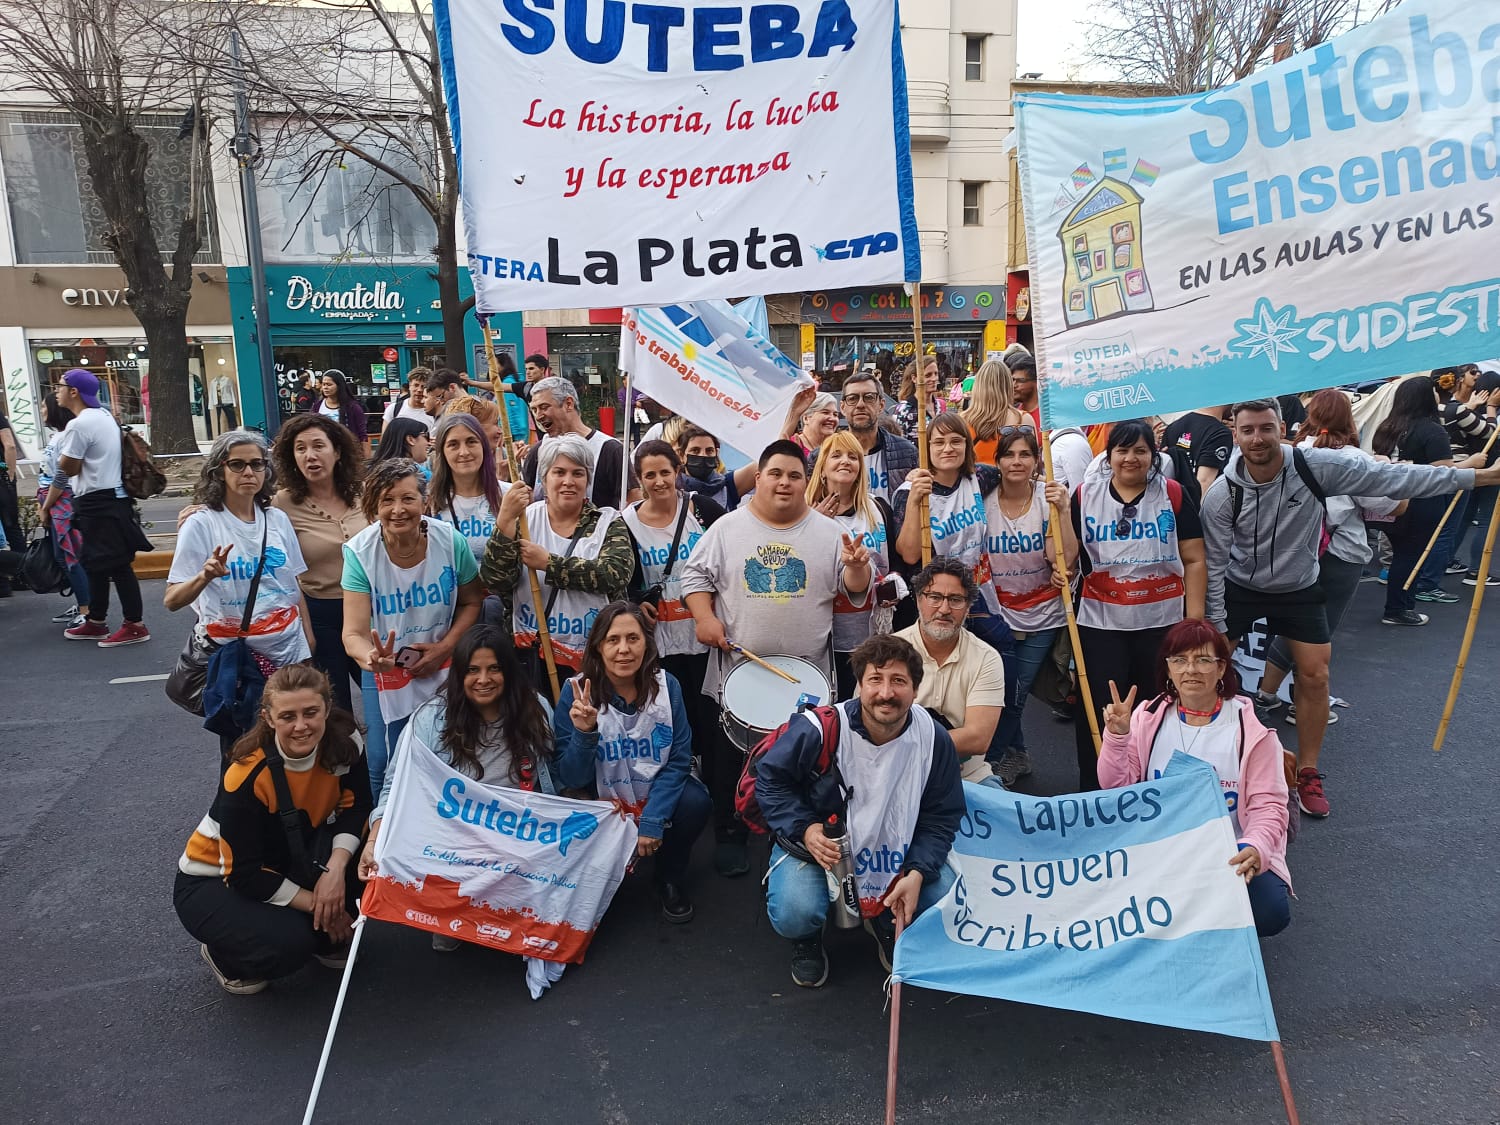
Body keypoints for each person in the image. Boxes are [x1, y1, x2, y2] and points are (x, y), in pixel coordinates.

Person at [1204, 395, 1500, 816]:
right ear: (1235, 434)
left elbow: (1392, 477)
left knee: (1316, 674)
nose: (1257, 438)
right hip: (1241, 586)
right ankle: (1213, 764)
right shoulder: (1221, 494)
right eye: (1247, 430)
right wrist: (1217, 624)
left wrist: (1478, 478)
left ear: (1282, 430)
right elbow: (1214, 565)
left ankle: (1307, 772)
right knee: (1208, 671)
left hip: (1299, 584)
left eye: (1266, 428)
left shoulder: (1313, 465)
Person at [680, 439, 873, 877]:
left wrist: (857, 566)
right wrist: (704, 617)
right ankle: (730, 833)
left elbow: (856, 589)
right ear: (758, 478)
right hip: (737, 674)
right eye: (776, 474)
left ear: (807, 481)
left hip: (807, 677)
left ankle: (791, 837)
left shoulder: (830, 533)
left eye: (794, 476)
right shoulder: (727, 528)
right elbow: (694, 575)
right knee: (730, 763)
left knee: (804, 763)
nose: (785, 483)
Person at [754, 633, 964, 987]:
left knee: (943, 893)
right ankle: (807, 938)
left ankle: (884, 917)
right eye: (875, 679)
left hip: (896, 851)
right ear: (860, 686)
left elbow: (942, 816)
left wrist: (917, 872)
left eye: (899, 681)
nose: (886, 693)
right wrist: (805, 828)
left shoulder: (934, 737)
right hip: (819, 850)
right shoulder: (819, 730)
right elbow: (770, 781)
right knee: (795, 910)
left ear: (915, 690)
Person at [360, 624, 559, 951]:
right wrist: (374, 840)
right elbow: (396, 784)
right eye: (473, 670)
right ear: (459, 675)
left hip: (516, 830)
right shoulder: (429, 719)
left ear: (509, 672)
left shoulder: (535, 709)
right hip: (454, 836)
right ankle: (452, 912)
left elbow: (552, 775)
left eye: (494, 668)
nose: (484, 679)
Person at [175, 663, 370, 995]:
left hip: (290, 856)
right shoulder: (246, 772)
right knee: (291, 944)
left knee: (372, 855)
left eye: (311, 712)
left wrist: (336, 870)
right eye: (287, 717)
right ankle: (225, 957)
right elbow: (244, 874)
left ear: (327, 708)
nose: (301, 726)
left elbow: (358, 808)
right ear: (268, 718)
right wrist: (324, 907)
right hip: (214, 879)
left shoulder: (346, 740)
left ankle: (320, 933)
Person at [1098, 620, 1291, 938]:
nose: (1191, 669)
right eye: (1180, 660)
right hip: (1160, 846)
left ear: (1221, 668)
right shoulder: (1147, 717)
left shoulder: (1250, 732)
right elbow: (1116, 788)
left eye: (1203, 660)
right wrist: (1117, 738)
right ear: (1168, 668)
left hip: (1227, 850)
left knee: (1269, 912)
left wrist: (1254, 845)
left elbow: (1268, 807)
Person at [1255, 390, 1404, 739]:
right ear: (1348, 419)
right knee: (1318, 634)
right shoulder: (1355, 460)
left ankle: (1265, 693)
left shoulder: (1291, 453)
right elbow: (1393, 506)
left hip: (1294, 554)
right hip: (1340, 555)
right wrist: (1392, 471)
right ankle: (1301, 704)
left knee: (1293, 625)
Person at [552, 603, 712, 923]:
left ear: (647, 644)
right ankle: (598, 878)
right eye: (613, 640)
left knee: (695, 801)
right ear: (598, 647)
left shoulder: (668, 687)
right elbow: (570, 778)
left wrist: (652, 820)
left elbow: (679, 761)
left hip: (652, 790)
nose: (623, 649)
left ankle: (668, 876)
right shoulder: (577, 693)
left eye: (633, 638)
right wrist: (585, 734)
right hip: (600, 796)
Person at [1070, 419, 1207, 790]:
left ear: (1153, 455)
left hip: (1160, 623)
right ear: (1108, 455)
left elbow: (1195, 559)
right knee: (1099, 708)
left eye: (1140, 450)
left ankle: (1147, 786)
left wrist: (1193, 624)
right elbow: (1069, 554)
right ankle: (1095, 790)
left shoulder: (1173, 494)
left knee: (1154, 709)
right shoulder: (1084, 496)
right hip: (1101, 623)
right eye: (1122, 450)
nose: (1131, 458)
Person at [342, 458, 486, 801]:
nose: (398, 510)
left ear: (425, 501)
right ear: (373, 505)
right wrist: (373, 658)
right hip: (385, 668)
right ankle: (383, 825)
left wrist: (445, 647)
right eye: (386, 500)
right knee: (383, 759)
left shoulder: (450, 542)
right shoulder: (360, 553)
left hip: (444, 660)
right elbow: (352, 634)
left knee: (449, 749)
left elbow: (472, 602)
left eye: (408, 498)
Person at [166, 431, 313, 748]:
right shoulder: (202, 523)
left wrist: (308, 639)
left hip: (288, 653)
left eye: (257, 464)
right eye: (237, 464)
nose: (249, 472)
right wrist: (204, 576)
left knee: (294, 744)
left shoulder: (277, 519)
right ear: (219, 470)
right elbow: (172, 600)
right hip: (238, 664)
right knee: (244, 750)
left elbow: (291, 584)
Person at [482, 433, 635, 682]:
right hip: (532, 654)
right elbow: (495, 580)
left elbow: (615, 574)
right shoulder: (525, 520)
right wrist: (505, 521)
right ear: (544, 478)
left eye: (578, 473)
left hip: (593, 656)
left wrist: (549, 564)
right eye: (559, 472)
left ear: (588, 479)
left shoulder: (607, 522)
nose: (568, 481)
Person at [986, 428, 1078, 784]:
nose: (1017, 462)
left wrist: (1064, 510)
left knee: (1016, 693)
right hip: (996, 615)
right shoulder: (984, 499)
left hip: (1043, 614)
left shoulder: (1047, 497)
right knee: (1001, 690)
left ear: (1038, 460)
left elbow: (1063, 557)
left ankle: (992, 761)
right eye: (1009, 455)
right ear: (997, 462)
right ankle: (1019, 755)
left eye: (1025, 454)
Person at [42, 369, 152, 647]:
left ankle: (134, 625)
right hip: (109, 498)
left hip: (98, 500)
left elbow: (68, 468)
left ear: (74, 391)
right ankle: (96, 620)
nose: (56, 391)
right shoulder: (103, 416)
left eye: (60, 386)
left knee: (116, 565)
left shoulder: (80, 425)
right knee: (95, 564)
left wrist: (62, 458)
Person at [622, 440, 723, 742]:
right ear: (639, 479)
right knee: (674, 715)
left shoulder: (703, 510)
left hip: (706, 635)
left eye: (665, 472)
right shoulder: (625, 523)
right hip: (661, 640)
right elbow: (624, 581)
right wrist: (636, 603)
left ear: (677, 471)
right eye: (650, 475)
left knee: (711, 717)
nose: (659, 482)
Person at [892, 413, 1015, 660]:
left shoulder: (979, 477)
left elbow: (1014, 475)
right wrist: (915, 501)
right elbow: (909, 554)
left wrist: (1043, 483)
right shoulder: (910, 492)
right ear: (927, 448)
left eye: (956, 441)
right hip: (935, 599)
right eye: (939, 442)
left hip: (976, 592)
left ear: (967, 446)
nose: (948, 448)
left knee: (1000, 648)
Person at [272, 413, 368, 714]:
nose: (310, 456)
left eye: (318, 446)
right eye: (300, 449)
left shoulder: (364, 494)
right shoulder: (281, 504)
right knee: (336, 709)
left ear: (337, 451)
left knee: (384, 697)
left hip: (369, 611)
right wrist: (199, 510)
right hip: (320, 614)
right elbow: (241, 512)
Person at [893, 560, 1007, 789]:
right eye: (935, 597)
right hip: (899, 774)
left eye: (955, 600)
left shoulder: (987, 658)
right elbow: (866, 723)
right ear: (919, 600)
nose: (944, 609)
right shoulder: (889, 651)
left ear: (968, 606)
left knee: (1005, 809)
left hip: (968, 778)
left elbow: (978, 739)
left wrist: (906, 744)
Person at [806, 430, 898, 699]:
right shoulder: (803, 513)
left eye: (853, 456)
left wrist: (893, 586)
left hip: (872, 632)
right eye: (836, 455)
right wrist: (812, 527)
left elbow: (894, 562)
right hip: (824, 638)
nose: (845, 461)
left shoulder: (879, 508)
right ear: (822, 468)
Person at [519, 376, 639, 507]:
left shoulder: (609, 449)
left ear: (568, 404)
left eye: (544, 407)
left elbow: (634, 500)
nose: (538, 416)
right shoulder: (537, 451)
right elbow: (526, 498)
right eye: (534, 410)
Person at [1428, 364, 1495, 588]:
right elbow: (1489, 432)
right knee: (1459, 524)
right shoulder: (1457, 410)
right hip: (1464, 468)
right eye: (1472, 372)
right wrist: (1491, 408)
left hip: (1434, 468)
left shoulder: (1432, 409)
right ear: (1457, 381)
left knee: (1450, 522)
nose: (1477, 375)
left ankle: (1439, 567)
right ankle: (1471, 573)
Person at [429, 412, 521, 570]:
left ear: (483, 446)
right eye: (453, 444)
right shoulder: (430, 501)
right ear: (442, 451)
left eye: (471, 442)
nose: (464, 452)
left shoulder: (508, 495)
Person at [35, 392, 89, 620]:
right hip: (55, 502)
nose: (42, 411)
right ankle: (83, 604)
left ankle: (87, 610)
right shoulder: (58, 436)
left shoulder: (67, 436)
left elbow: (61, 476)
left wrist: (46, 506)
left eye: (44, 407)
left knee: (69, 557)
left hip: (62, 503)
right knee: (63, 557)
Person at [838, 368, 917, 504]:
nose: (860, 404)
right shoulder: (824, 456)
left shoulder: (906, 453)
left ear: (881, 405)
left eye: (869, 397)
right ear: (843, 407)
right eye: (852, 398)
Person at [963, 360, 1032, 467]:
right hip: (1009, 477)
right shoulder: (1023, 419)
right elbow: (1031, 461)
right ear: (1008, 386)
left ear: (978, 386)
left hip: (973, 477)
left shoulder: (961, 420)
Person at [1162, 404, 1234, 505]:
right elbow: (1204, 481)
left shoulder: (1172, 427)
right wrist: (1194, 512)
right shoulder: (1220, 433)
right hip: (1195, 507)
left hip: (1169, 505)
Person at [893, 355, 940, 444]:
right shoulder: (905, 409)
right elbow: (896, 443)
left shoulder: (938, 405)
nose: (934, 379)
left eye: (936, 374)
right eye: (928, 375)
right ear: (914, 378)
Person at [315, 369, 368, 445]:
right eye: (323, 384)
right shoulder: (317, 406)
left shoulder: (353, 407)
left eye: (329, 384)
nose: (325, 387)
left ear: (339, 386)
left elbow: (362, 435)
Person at [382, 367, 436, 433]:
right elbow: (385, 437)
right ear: (410, 386)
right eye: (416, 385)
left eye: (423, 387)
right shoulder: (394, 409)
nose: (419, 390)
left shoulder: (434, 412)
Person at [791, 392, 840, 465]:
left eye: (835, 414)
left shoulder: (839, 447)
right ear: (806, 418)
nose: (832, 418)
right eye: (825, 412)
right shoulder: (791, 445)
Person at [1009, 353, 1040, 431]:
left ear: (1036, 382)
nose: (1014, 385)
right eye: (1013, 380)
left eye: (1020, 380)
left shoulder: (1048, 417)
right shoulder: (1012, 414)